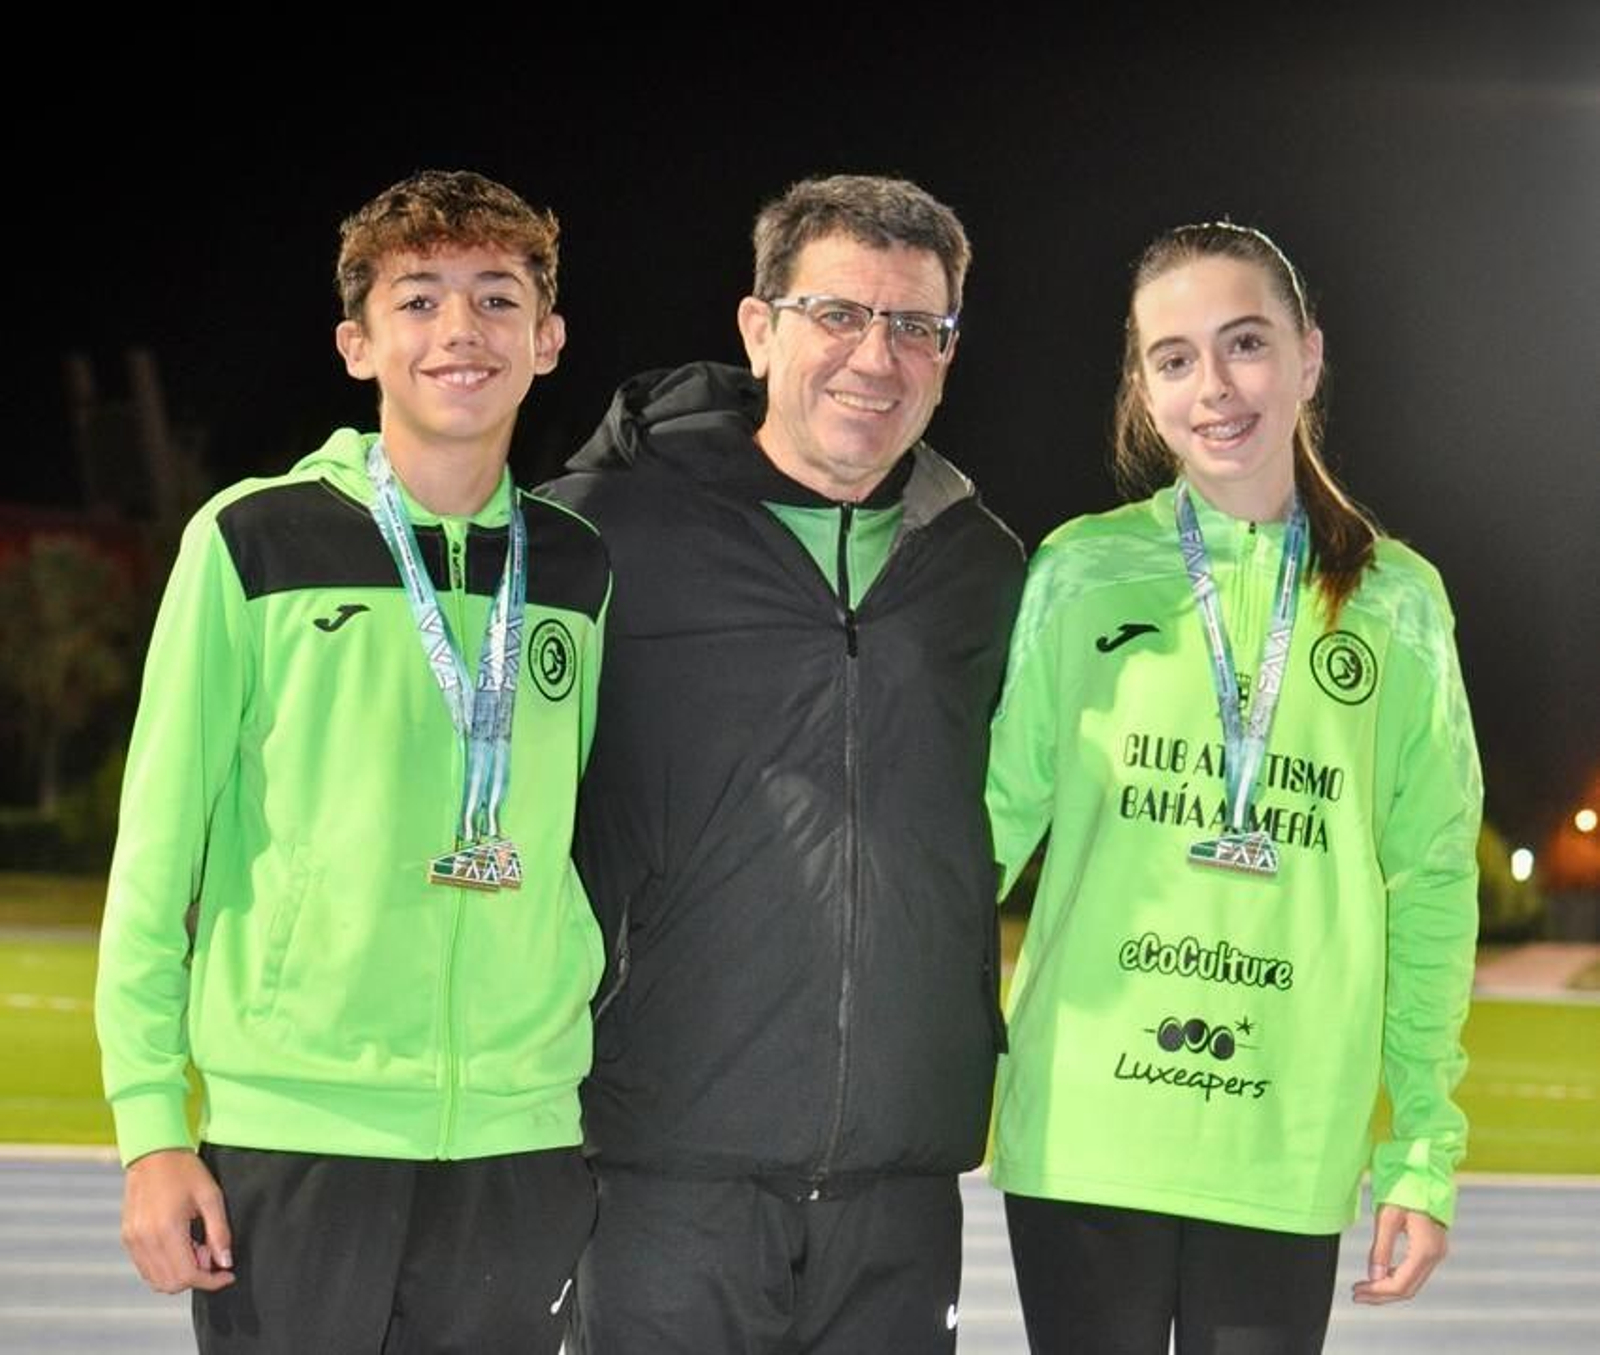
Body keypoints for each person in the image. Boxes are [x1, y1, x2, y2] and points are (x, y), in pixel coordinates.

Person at [94, 170, 609, 1355]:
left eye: (496, 297)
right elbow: (154, 854)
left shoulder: (580, 571)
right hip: (298, 1125)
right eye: (418, 300)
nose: (460, 331)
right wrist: (152, 1127)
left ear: (547, 337)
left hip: (518, 1134)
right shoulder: (251, 539)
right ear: (355, 343)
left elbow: (581, 832)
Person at [543, 174, 1025, 1353]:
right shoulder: (599, 534)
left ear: (949, 352)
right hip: (661, 1161)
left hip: (900, 1177)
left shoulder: (982, 567)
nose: (878, 356)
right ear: (760, 327)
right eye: (839, 315)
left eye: (917, 325)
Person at [985, 221, 1482, 1355]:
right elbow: (982, 830)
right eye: (1172, 358)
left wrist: (1421, 1148)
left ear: (1307, 356)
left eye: (1244, 343)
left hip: (1280, 1129)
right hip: (1089, 1121)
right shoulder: (1081, 567)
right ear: (1143, 391)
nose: (1212, 386)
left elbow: (1432, 877)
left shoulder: (1395, 600)